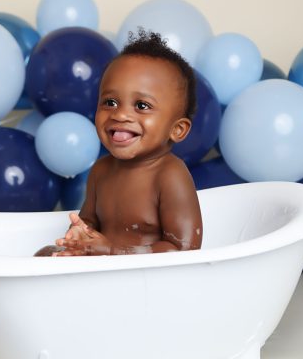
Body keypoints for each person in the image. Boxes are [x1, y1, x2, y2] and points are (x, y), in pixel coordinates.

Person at [35, 29, 202, 257]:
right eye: (110, 102)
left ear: (177, 129)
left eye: (142, 106)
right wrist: (78, 236)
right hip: (105, 271)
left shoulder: (170, 175)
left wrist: (113, 251)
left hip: (147, 279)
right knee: (46, 254)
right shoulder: (102, 170)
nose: (121, 115)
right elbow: (88, 221)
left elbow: (185, 248)